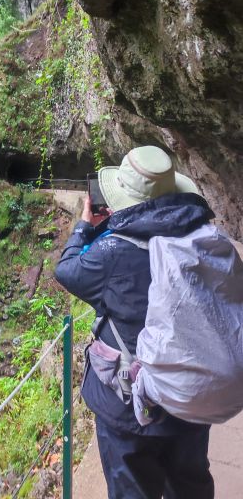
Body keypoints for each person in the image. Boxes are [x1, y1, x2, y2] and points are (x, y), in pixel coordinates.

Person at [54, 146, 215, 499]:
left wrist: (85, 227)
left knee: (132, 490)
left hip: (128, 408)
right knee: (190, 485)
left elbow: (66, 271)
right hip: (190, 396)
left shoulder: (112, 251)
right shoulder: (203, 240)